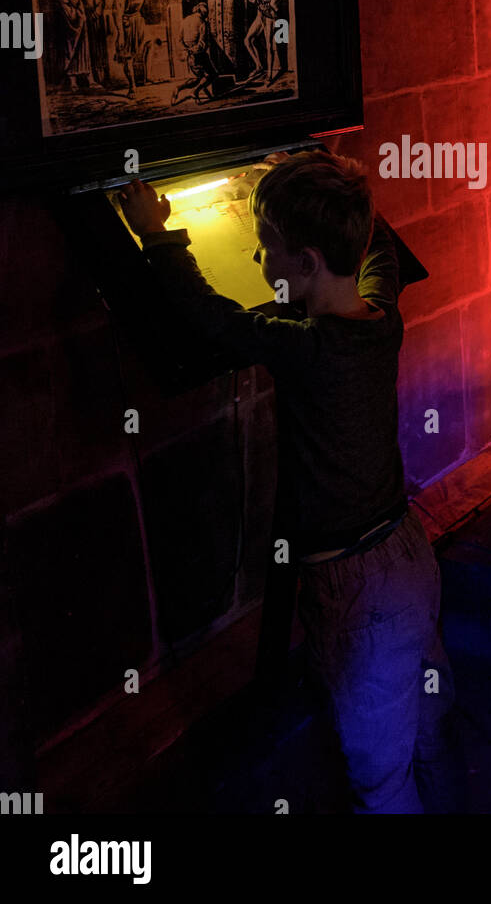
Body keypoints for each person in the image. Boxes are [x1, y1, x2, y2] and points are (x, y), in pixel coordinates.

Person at [118, 149, 464, 814]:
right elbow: (382, 253)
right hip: (407, 553)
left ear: (304, 264)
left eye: (266, 248)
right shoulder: (379, 317)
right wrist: (340, 184)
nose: (257, 263)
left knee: (378, 774)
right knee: (431, 725)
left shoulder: (300, 345)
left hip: (354, 586)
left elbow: (210, 314)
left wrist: (158, 234)